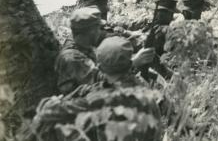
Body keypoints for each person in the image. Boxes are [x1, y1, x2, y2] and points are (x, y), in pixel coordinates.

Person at [33, 36, 164, 141]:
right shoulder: (144, 88)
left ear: (100, 68)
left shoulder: (98, 98)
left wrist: (49, 105)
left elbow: (49, 112)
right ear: (130, 63)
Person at [55, 8, 105, 95]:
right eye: (98, 28)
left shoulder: (83, 46)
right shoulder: (72, 58)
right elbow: (105, 79)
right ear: (91, 31)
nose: (100, 32)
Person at [143, 0, 179, 81]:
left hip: (159, 66)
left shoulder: (166, 30)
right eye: (157, 12)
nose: (156, 15)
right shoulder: (155, 27)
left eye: (160, 13)